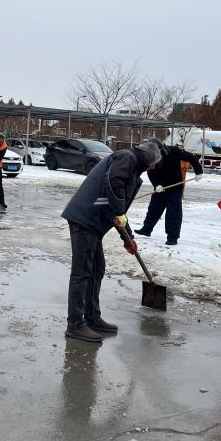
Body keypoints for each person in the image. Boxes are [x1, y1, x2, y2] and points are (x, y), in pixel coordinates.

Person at [61, 140, 162, 343]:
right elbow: (114, 186)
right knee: (82, 273)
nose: (153, 167)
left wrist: (128, 238)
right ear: (149, 159)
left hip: (94, 221)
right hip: (85, 219)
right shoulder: (127, 157)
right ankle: (75, 324)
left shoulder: (132, 167)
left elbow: (119, 210)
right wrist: (118, 213)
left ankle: (92, 318)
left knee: (96, 269)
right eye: (154, 163)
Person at [134, 138, 203, 246]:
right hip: (160, 188)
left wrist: (199, 172)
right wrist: (156, 185)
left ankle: (172, 237)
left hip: (175, 188)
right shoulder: (150, 156)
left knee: (173, 213)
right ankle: (146, 229)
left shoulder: (174, 151)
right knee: (153, 209)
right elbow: (150, 172)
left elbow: (191, 157)